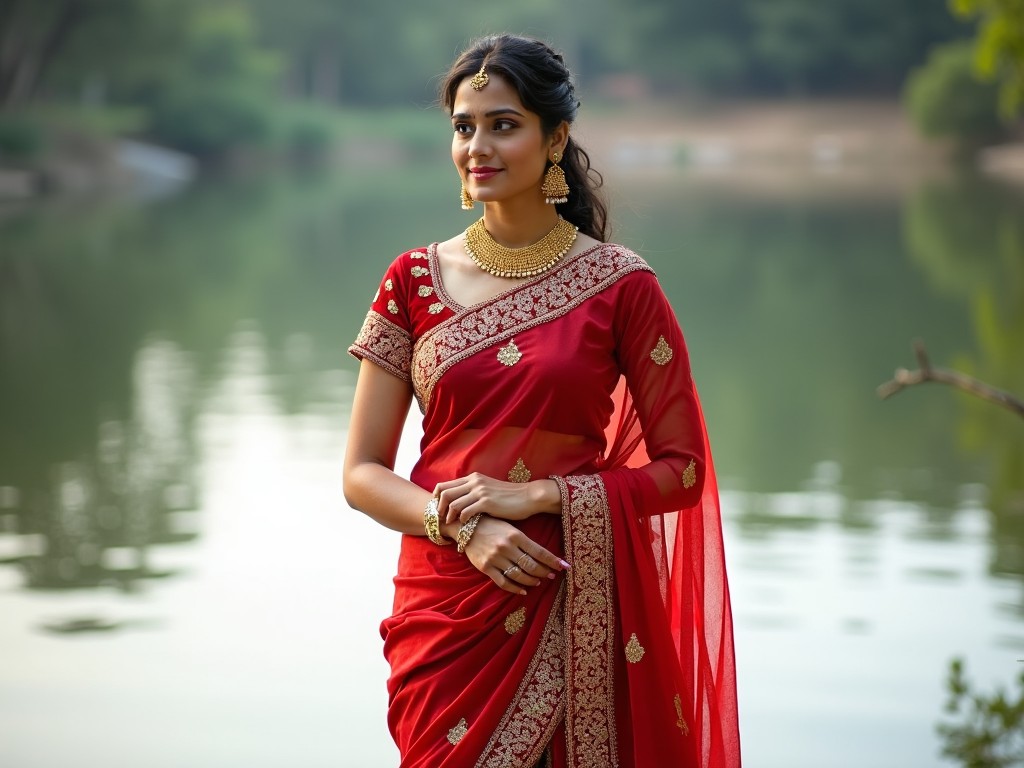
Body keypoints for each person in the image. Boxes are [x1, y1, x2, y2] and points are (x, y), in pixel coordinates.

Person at [343, 34, 740, 768]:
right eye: (464, 127)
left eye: (504, 124)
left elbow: (682, 472)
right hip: (446, 608)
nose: (477, 147)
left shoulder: (622, 287)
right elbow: (362, 474)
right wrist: (459, 527)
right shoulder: (411, 281)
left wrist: (538, 499)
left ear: (555, 137)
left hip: (567, 592)